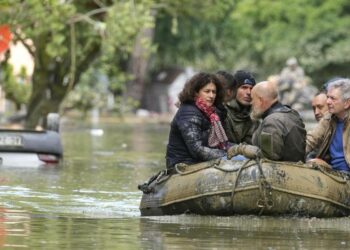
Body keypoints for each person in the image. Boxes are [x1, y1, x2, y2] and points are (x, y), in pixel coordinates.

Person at [229, 80, 306, 162]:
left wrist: (241, 149)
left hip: (282, 170)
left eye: (253, 99)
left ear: (260, 100)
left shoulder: (272, 121)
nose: (251, 103)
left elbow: (269, 157)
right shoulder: (292, 113)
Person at [166, 72, 229, 170]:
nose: (211, 95)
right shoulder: (188, 112)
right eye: (207, 91)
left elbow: (223, 143)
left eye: (214, 92)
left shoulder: (212, 113)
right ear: (196, 92)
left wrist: (240, 149)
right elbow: (197, 149)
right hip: (183, 165)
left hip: (202, 162)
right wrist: (228, 154)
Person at [306, 78, 350, 174]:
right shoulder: (329, 118)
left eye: (333, 98)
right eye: (328, 97)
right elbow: (311, 140)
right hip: (334, 173)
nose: (328, 102)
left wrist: (326, 166)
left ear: (347, 103)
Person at [217, 70, 259, 145]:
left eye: (251, 88)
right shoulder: (222, 111)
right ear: (234, 90)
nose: (249, 92)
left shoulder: (255, 115)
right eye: (244, 87)